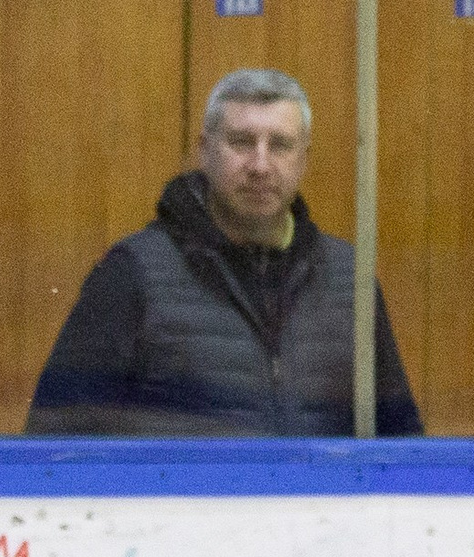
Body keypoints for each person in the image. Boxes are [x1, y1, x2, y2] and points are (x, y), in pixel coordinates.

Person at [27, 69, 420, 437]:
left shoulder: (348, 279)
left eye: (280, 145)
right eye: (242, 142)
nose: (260, 164)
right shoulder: (134, 273)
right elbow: (56, 442)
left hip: (317, 510)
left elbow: (401, 443)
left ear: (304, 161)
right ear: (204, 151)